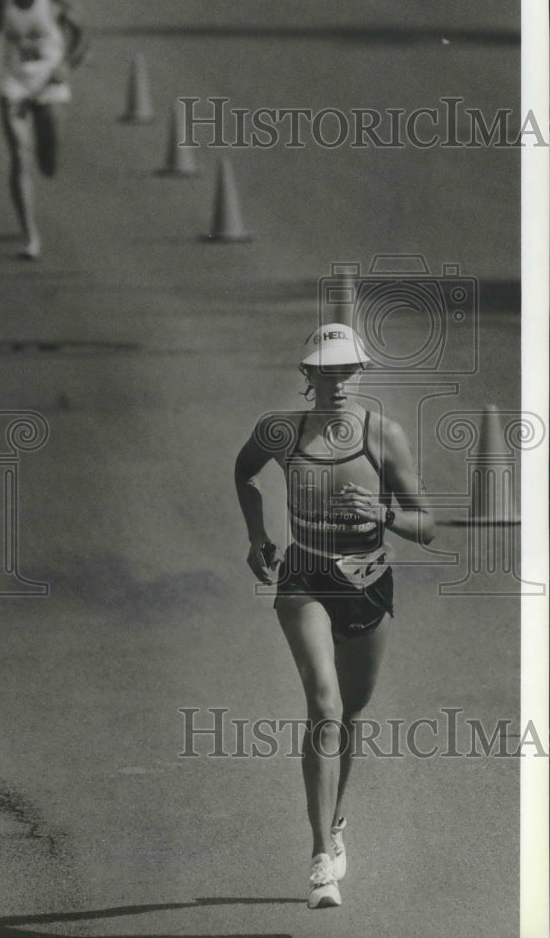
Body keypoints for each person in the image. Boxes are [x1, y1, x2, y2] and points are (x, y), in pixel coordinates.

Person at [234, 323, 435, 909]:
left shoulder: (382, 435)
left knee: (351, 713)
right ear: (309, 375)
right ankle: (322, 858)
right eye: (329, 370)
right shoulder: (280, 429)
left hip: (369, 584)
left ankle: (337, 818)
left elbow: (425, 524)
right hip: (304, 578)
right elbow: (244, 472)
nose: (341, 381)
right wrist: (256, 537)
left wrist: (383, 511)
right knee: (322, 705)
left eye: (350, 370)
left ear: (361, 374)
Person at [0, 0, 87, 259]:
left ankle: (48, 155)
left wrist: (67, 64)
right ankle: (30, 236)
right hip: (16, 85)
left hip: (49, 82)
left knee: (49, 161)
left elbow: (82, 36)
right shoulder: (1, 2)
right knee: (18, 155)